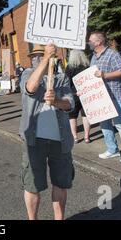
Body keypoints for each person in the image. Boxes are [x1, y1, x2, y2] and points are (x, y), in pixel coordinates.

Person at [19, 43, 75, 220]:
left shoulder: (61, 78)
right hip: (34, 140)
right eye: (36, 56)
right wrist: (45, 59)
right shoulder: (28, 74)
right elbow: (30, 88)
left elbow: (70, 104)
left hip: (61, 140)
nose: (37, 59)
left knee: (61, 183)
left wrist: (56, 101)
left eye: (41, 55)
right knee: (32, 185)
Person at [89, 31, 121, 164]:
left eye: (90, 41)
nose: (89, 43)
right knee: (104, 124)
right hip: (100, 97)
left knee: (120, 124)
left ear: (98, 42)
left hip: (113, 94)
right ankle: (112, 149)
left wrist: (104, 75)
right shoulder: (94, 57)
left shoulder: (112, 54)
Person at [65, 50, 91, 143]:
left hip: (74, 94)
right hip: (86, 93)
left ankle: (75, 137)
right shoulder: (87, 66)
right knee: (86, 115)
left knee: (72, 116)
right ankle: (86, 137)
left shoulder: (70, 67)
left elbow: (67, 82)